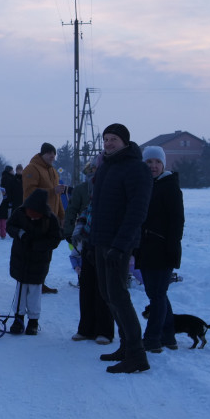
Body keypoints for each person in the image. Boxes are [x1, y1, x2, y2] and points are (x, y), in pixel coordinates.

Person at [91, 123, 153, 374]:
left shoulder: (137, 168)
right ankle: (126, 346)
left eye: (113, 139)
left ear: (125, 142)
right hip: (102, 241)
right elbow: (98, 207)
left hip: (119, 243)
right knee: (107, 295)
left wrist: (120, 246)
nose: (108, 143)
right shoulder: (106, 166)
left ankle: (137, 355)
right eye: (105, 139)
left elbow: (137, 211)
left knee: (119, 296)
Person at [137, 146, 185, 352]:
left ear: (163, 165)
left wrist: (172, 248)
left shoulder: (170, 187)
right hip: (145, 248)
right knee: (156, 294)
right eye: (149, 162)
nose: (153, 166)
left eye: (157, 162)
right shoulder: (144, 186)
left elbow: (177, 221)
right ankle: (168, 336)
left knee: (157, 295)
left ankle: (152, 338)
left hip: (163, 249)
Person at [70, 158, 115, 345]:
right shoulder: (94, 184)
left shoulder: (115, 184)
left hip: (107, 241)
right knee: (86, 286)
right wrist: (79, 226)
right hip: (89, 241)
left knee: (103, 288)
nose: (95, 170)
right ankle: (85, 328)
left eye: (98, 167)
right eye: (95, 168)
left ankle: (105, 331)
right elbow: (88, 209)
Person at [6, 189, 62, 335]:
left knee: (34, 292)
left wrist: (38, 245)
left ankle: (33, 321)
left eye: (36, 216)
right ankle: (18, 319)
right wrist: (20, 233)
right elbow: (9, 226)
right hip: (20, 258)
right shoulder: (19, 213)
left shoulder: (50, 219)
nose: (33, 218)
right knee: (20, 291)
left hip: (39, 261)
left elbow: (55, 239)